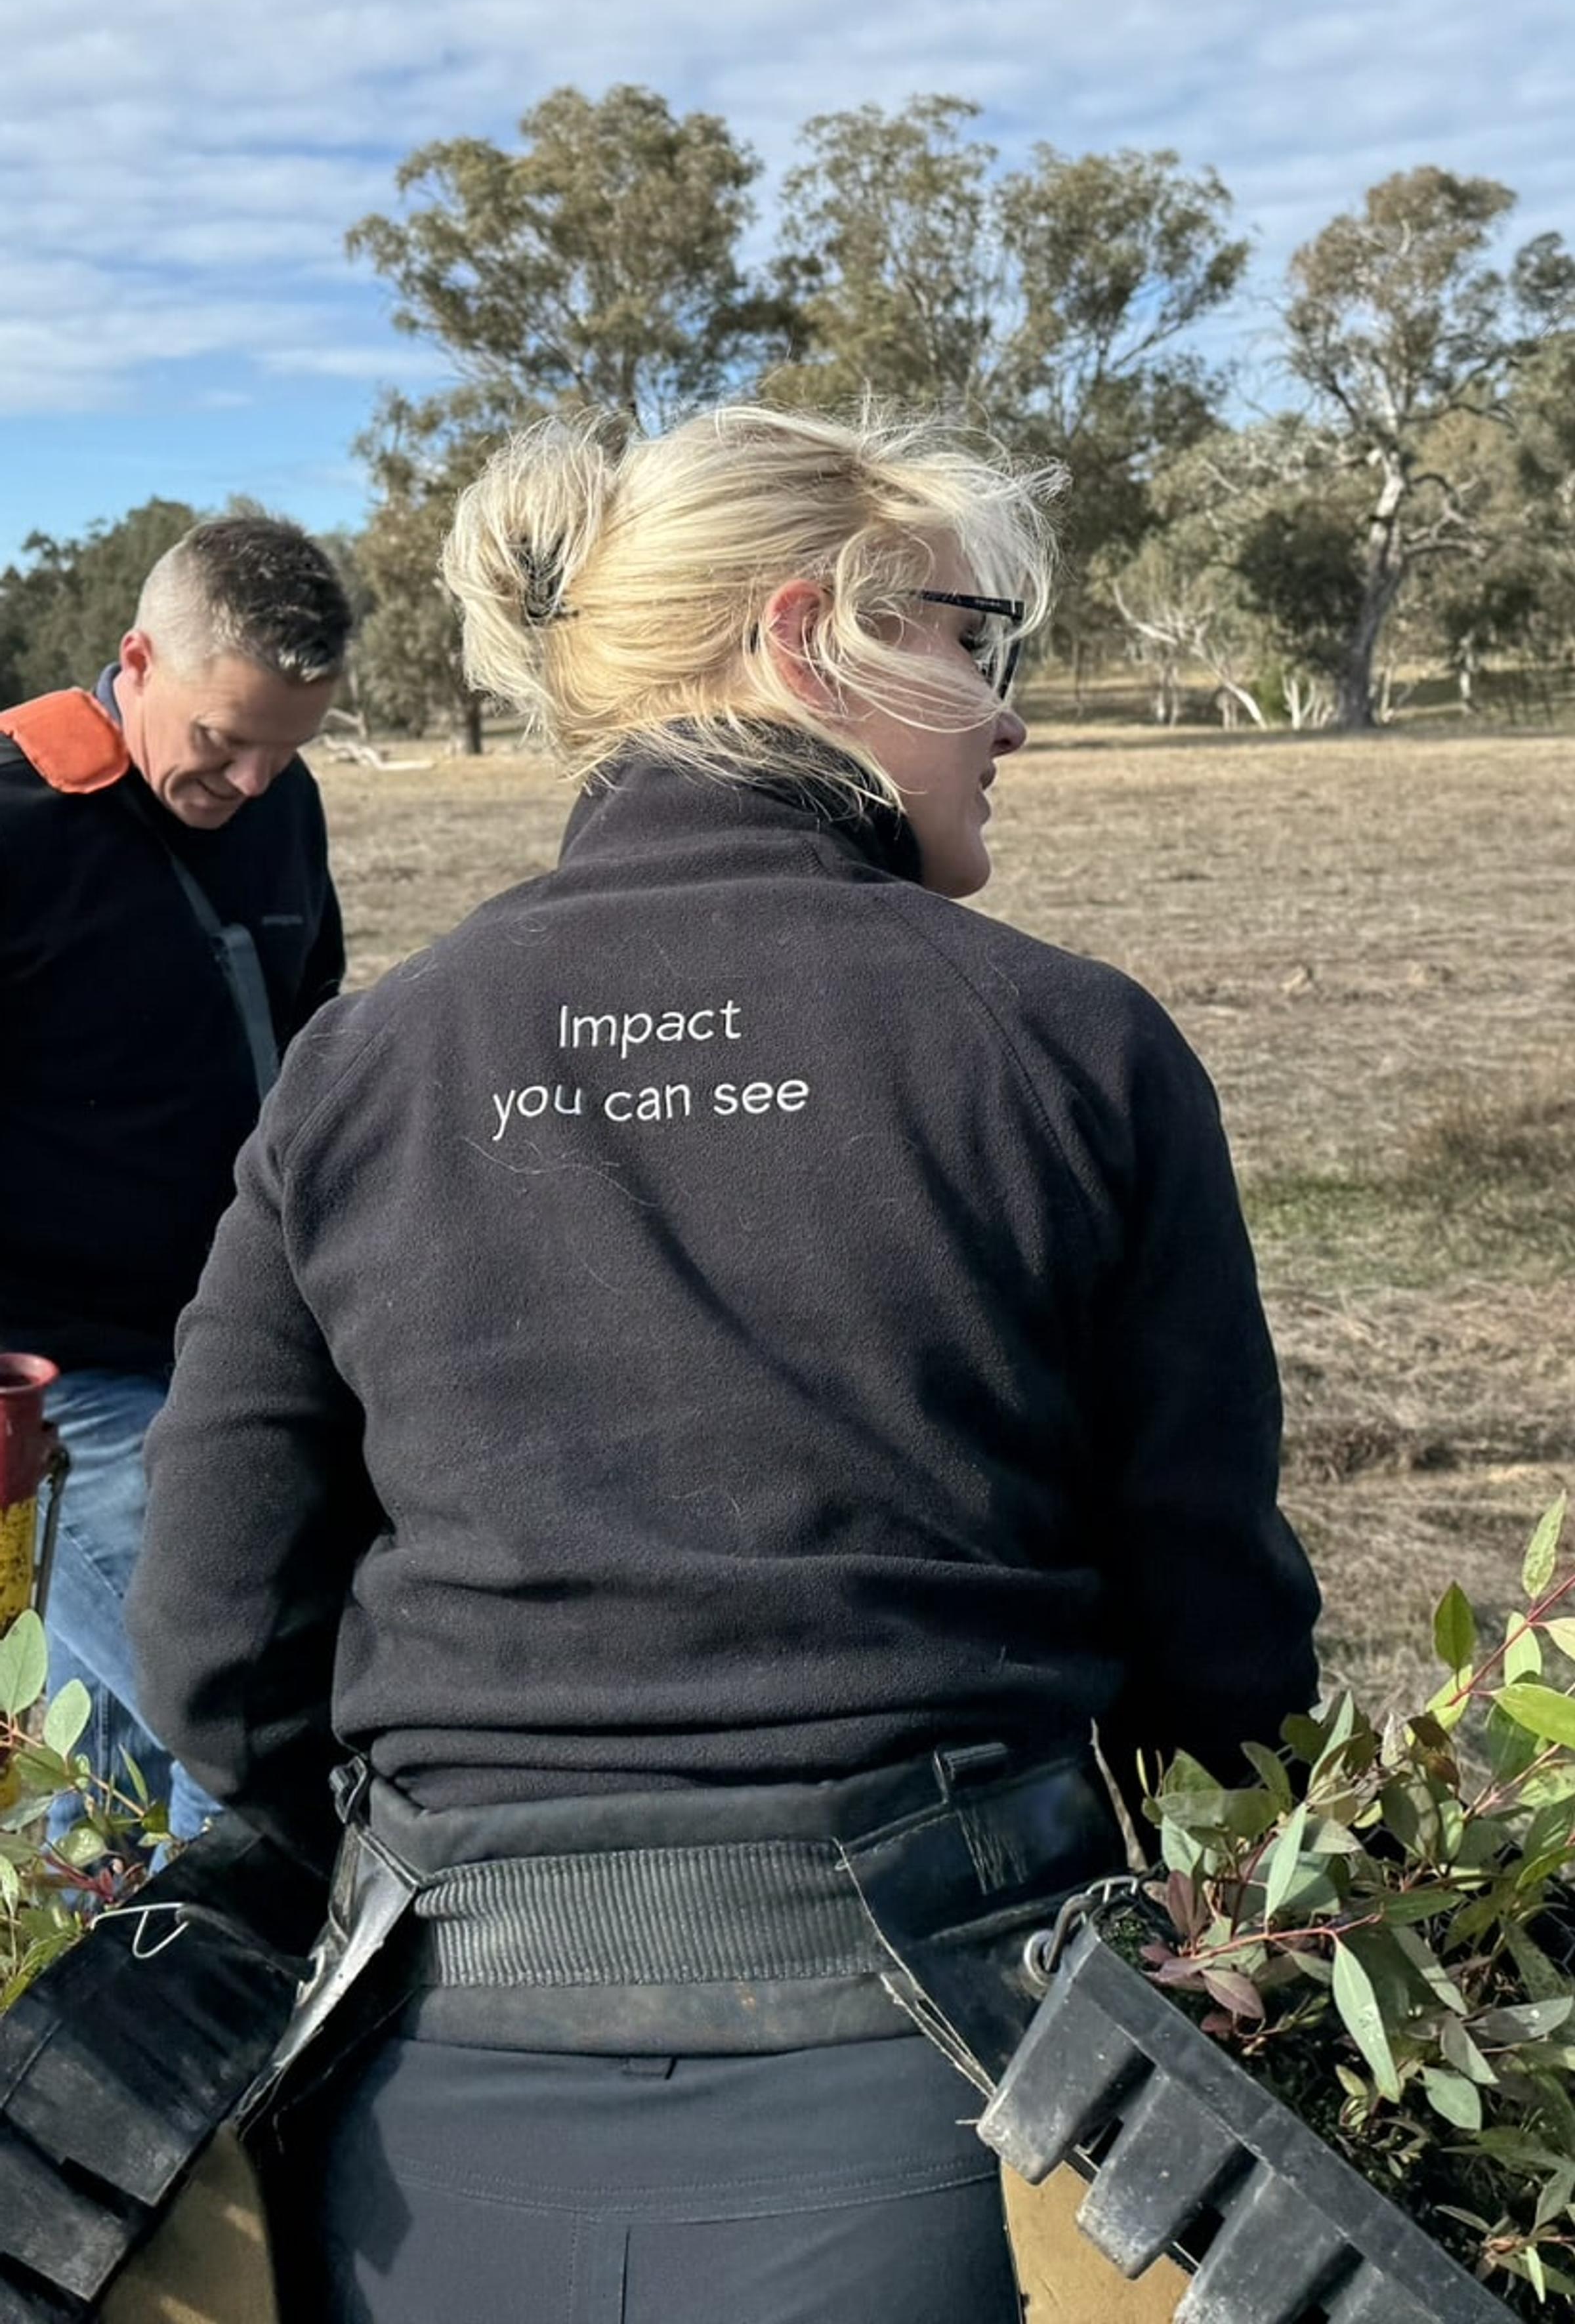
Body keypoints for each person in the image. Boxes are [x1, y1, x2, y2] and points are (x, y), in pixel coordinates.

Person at [129, 407, 1318, 2323]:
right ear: (801, 635)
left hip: (423, 2138)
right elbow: (1219, 1624)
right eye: (968, 639)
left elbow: (206, 1625)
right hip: (968, 2112)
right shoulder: (1069, 1045)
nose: (1005, 713)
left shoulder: (366, 1063)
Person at [0, 513, 350, 1840]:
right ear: (136, 659)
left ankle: (70, 2018)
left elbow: (312, 1037)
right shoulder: (15, 814)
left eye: (288, 746)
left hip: (239, 1343)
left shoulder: (283, 807)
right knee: (234, 1711)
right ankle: (255, 2030)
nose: (255, 780)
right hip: (64, 1374)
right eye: (222, 738)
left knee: (97, 1756)